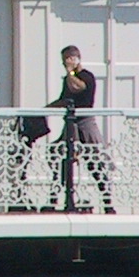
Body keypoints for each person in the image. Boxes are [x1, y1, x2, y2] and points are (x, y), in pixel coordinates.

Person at [48, 46, 113, 212]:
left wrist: (71, 72)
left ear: (75, 59)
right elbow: (64, 99)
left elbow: (78, 87)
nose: (64, 64)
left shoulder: (86, 76)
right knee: (58, 155)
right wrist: (45, 109)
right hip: (71, 124)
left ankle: (108, 202)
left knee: (95, 161)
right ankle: (54, 199)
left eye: (66, 60)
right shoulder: (68, 78)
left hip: (85, 123)